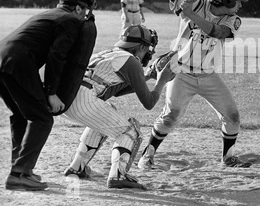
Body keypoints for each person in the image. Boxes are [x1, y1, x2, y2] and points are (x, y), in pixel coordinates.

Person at [138, 0, 252, 170]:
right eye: (237, 0)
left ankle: (228, 158)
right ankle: (147, 155)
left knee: (232, 116)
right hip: (179, 72)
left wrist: (190, 14)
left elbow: (217, 32)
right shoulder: (197, 3)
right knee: (171, 116)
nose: (240, 4)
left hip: (208, 75)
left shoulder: (233, 20)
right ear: (227, 1)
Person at [0, 0, 97, 191]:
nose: (85, 16)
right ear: (78, 9)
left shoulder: (50, 14)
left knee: (21, 114)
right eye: (85, 11)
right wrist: (51, 93)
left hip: (3, 59)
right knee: (43, 118)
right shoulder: (70, 21)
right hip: (19, 62)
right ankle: (19, 174)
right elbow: (56, 57)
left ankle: (20, 168)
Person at [63, 25, 176, 190]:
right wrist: (161, 81)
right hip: (84, 99)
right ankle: (118, 176)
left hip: (69, 97)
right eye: (148, 49)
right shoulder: (131, 62)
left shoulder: (109, 54)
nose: (149, 54)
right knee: (130, 131)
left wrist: (147, 76)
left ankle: (77, 167)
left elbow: (115, 91)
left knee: (107, 113)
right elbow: (149, 102)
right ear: (142, 47)